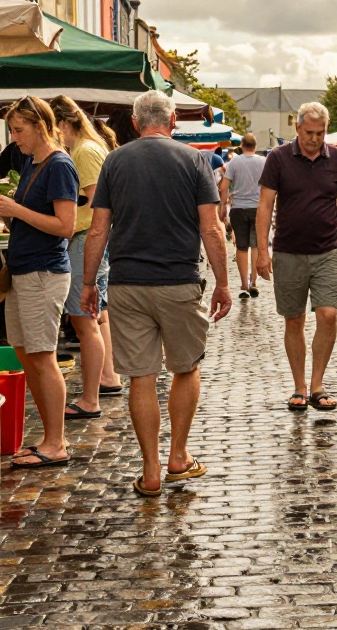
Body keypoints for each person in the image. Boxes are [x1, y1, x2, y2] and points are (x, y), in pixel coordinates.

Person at [82, 90, 231, 496]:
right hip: (179, 280)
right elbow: (212, 227)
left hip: (128, 283)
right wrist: (223, 282)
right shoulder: (194, 161)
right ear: (173, 122)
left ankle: (149, 471)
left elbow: (98, 230)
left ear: (134, 123)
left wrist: (88, 283)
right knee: (185, 368)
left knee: (141, 378)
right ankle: (178, 457)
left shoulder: (114, 161)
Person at [0, 96, 79, 469]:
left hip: (44, 272)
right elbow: (34, 216)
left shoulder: (59, 164)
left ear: (40, 126)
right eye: (11, 130)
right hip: (24, 269)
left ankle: (56, 442)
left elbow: (65, 227)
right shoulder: (33, 162)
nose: (14, 138)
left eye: (18, 130)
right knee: (26, 354)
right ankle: (47, 436)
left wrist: (15, 210)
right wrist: (9, 214)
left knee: (42, 356)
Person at [255, 102, 337, 412]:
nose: (314, 139)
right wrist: (263, 250)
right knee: (294, 320)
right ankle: (299, 386)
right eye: (309, 132)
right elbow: (265, 205)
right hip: (288, 251)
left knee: (328, 314)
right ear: (297, 129)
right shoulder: (278, 159)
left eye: (320, 133)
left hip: (328, 249)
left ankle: (317, 384)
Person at [50, 95, 123, 419]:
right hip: (87, 241)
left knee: (84, 321)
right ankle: (107, 378)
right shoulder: (87, 149)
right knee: (96, 316)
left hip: (86, 241)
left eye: (55, 129)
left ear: (65, 124)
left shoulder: (84, 151)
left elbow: (96, 206)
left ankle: (90, 398)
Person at [220, 133, 267, 300]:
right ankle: (254, 281)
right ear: (255, 146)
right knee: (255, 246)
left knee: (241, 247)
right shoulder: (263, 162)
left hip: (238, 208)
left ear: (241, 145)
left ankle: (244, 284)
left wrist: (223, 207)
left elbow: (224, 187)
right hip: (258, 208)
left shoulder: (234, 162)